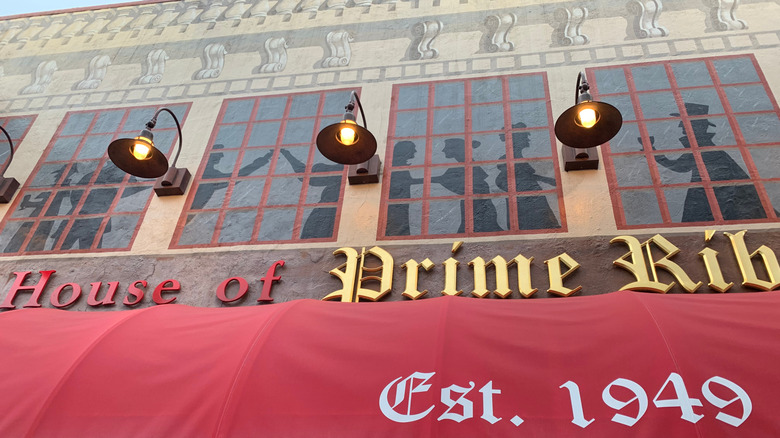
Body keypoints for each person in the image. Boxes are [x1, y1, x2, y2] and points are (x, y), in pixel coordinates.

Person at [654, 103, 766, 221]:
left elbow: (680, 167)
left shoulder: (702, 148)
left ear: (695, 125)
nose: (680, 126)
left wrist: (655, 154)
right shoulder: (703, 147)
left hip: (712, 197)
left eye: (683, 122)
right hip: (710, 196)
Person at [498, 124, 559, 229]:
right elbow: (503, 179)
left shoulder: (517, 157)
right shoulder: (508, 159)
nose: (528, 139)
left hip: (532, 197)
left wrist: (546, 180)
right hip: (527, 200)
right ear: (516, 139)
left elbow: (524, 176)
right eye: (525, 136)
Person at [386, 141, 424, 236]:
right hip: (397, 206)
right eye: (413, 148)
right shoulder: (397, 167)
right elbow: (404, 182)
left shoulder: (399, 165)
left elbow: (407, 181)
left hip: (402, 204)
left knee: (403, 224)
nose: (415, 151)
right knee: (400, 225)